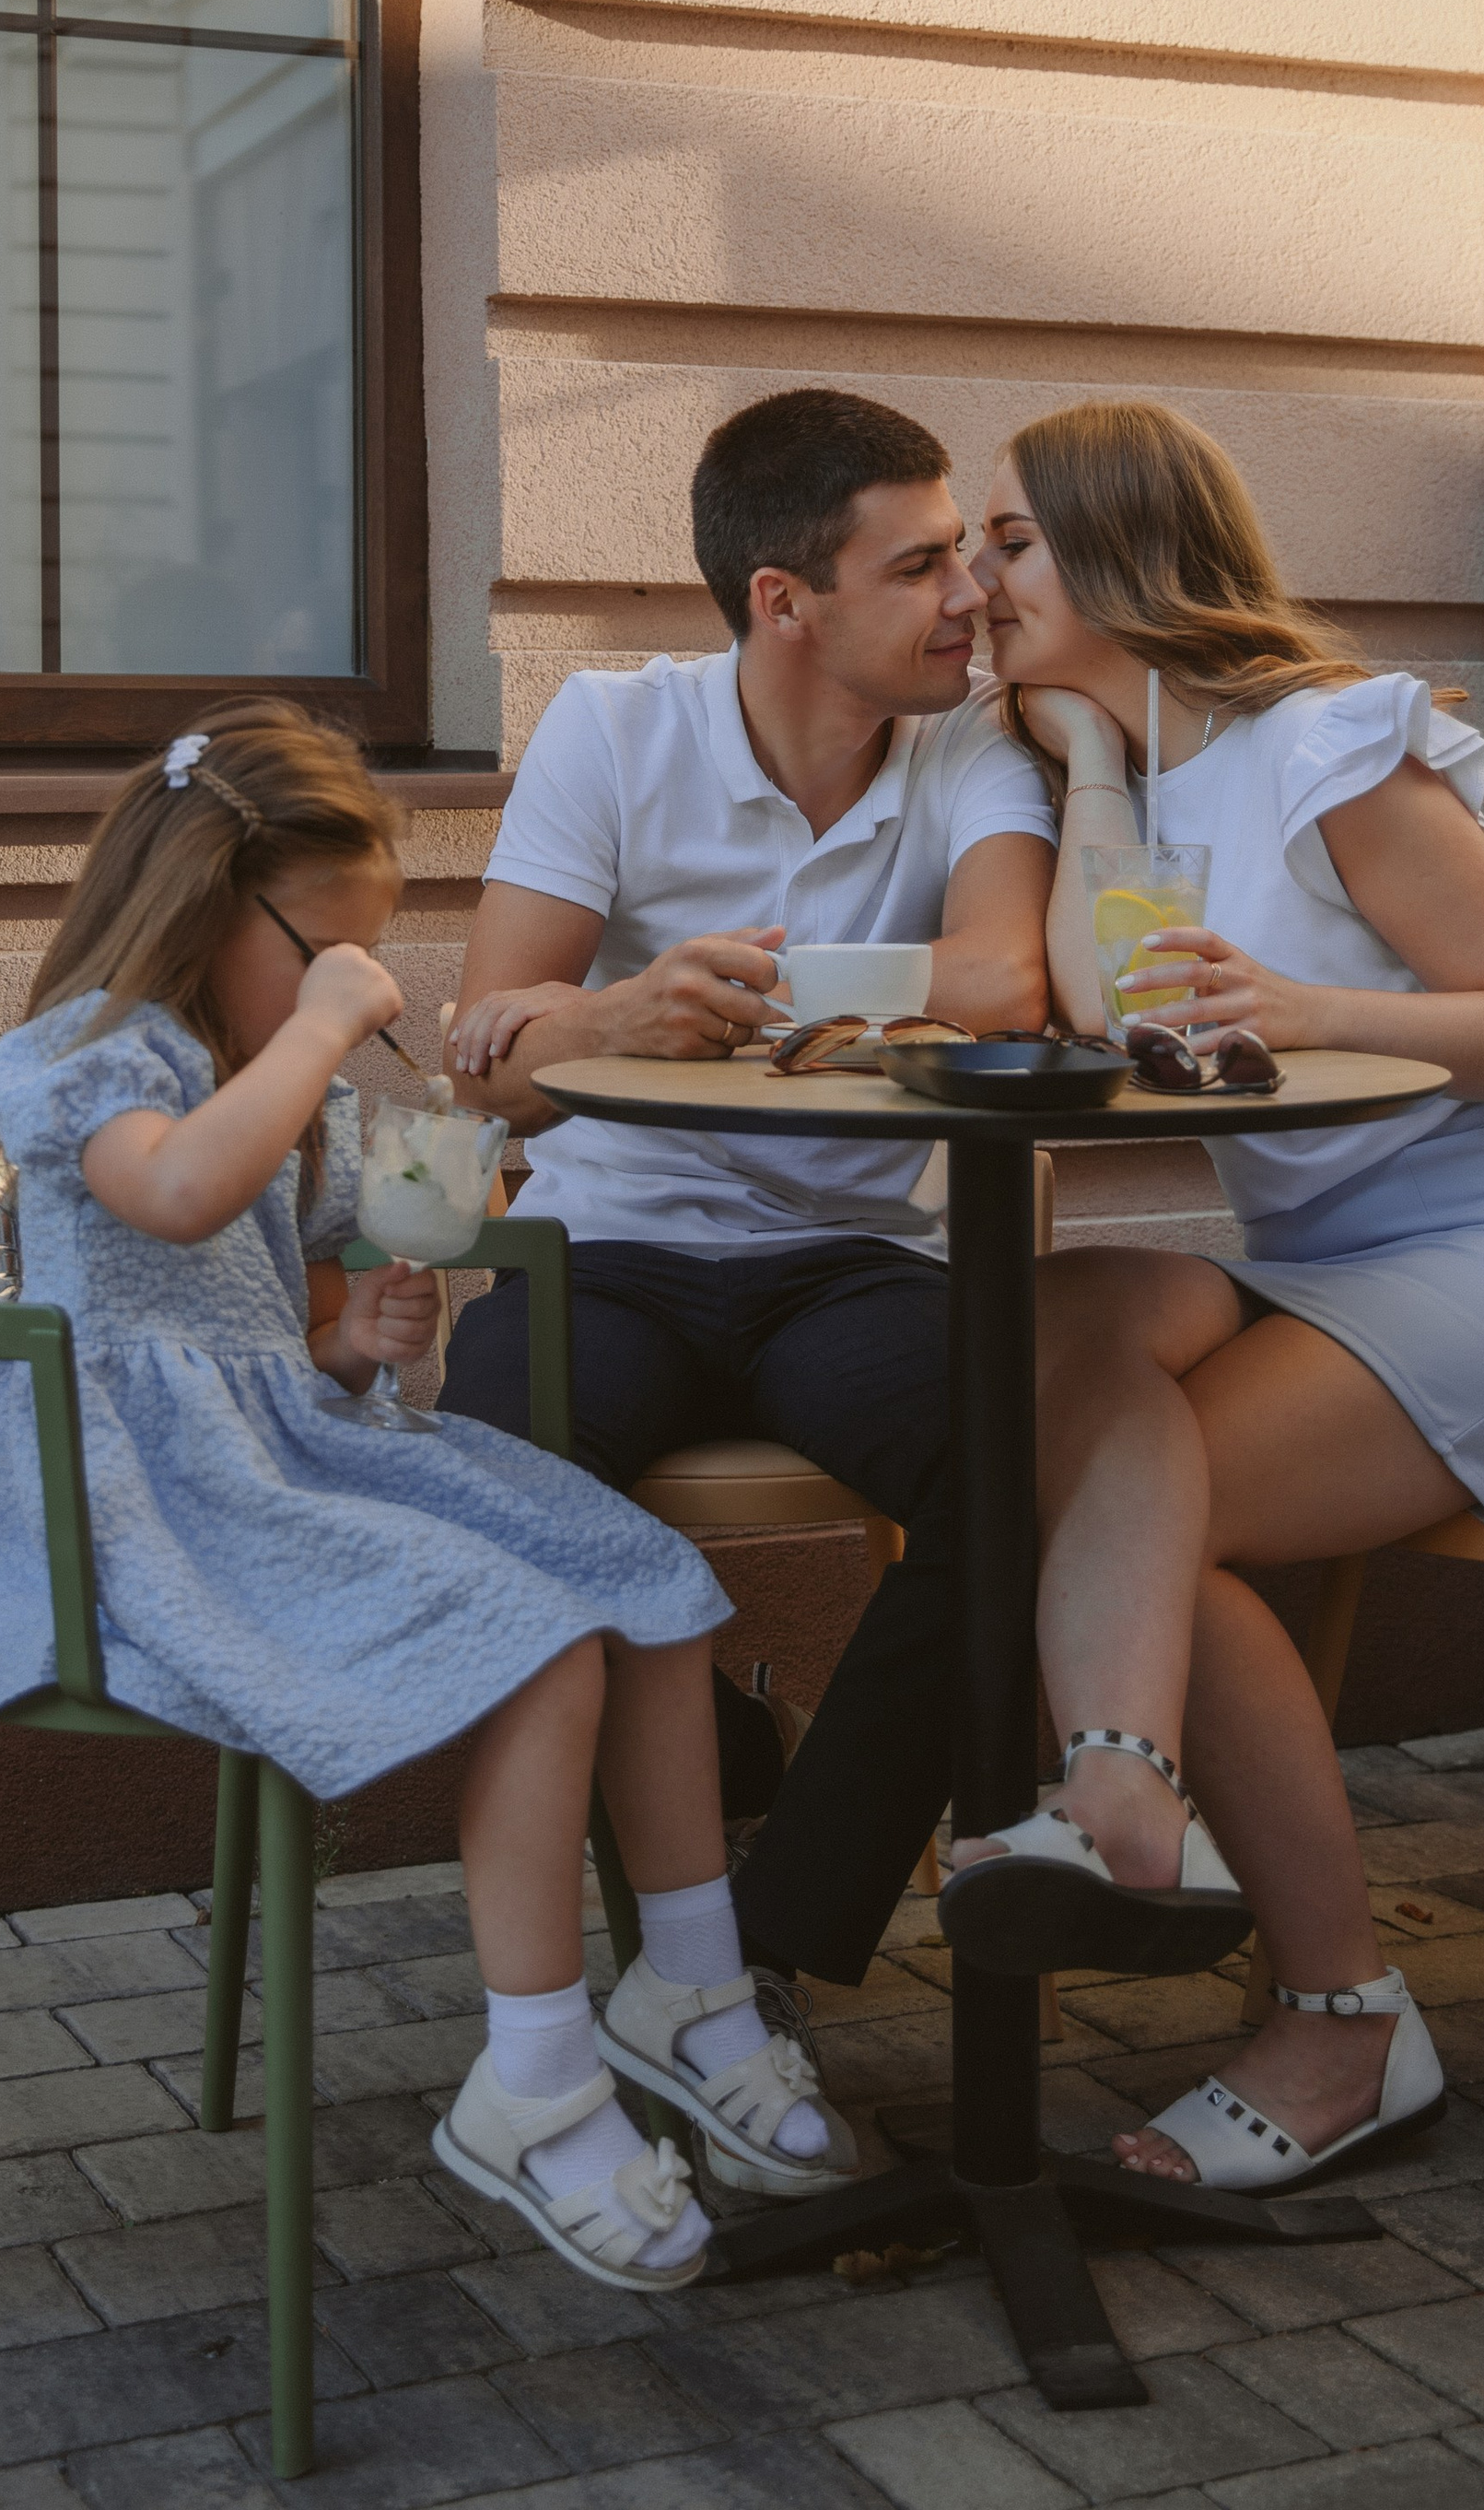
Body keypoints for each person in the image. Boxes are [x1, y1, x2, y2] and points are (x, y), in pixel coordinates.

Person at [0, 698, 854, 2293]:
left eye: (365, 958)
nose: (354, 982)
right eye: (328, 946)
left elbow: (285, 1316)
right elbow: (181, 1197)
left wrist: (360, 1330)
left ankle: (689, 1984)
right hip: (125, 1509)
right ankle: (531, 2076)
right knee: (536, 1635)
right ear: (209, 893)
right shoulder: (78, 1054)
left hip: (282, 1455)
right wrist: (330, 1026)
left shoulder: (278, 1071)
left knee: (647, 1574)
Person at [937, 400, 1484, 2193]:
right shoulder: (1140, 773)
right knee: (1068, 1320)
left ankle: (1336, 2016)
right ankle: (1124, 1791)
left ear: (1118, 548)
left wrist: (1316, 1008)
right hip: (1317, 1257)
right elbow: (1117, 1021)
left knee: (1137, 1523)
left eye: (1010, 539)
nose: (973, 574)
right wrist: (1088, 759)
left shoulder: (1332, 745)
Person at [438, 389, 1057, 1988]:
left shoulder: (974, 742)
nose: (972, 597)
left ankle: (777, 1927)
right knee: (500, 1483)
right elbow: (486, 1052)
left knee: (1026, 1468)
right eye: (923, 566)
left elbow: (1003, 983)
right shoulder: (614, 725)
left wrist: (747, 1014)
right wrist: (614, 1018)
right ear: (786, 601)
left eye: (967, 561)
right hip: (609, 1246)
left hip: (843, 1255)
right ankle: (714, 1737)